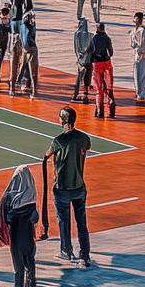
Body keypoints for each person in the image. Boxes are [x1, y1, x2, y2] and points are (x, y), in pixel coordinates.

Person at [46, 105, 92, 267]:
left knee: (64, 221)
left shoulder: (58, 141)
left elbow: (47, 155)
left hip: (62, 187)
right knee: (81, 222)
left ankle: (66, 251)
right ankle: (85, 255)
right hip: (79, 186)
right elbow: (85, 149)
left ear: (62, 121)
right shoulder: (83, 138)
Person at [0, 165, 39, 287]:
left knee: (18, 265)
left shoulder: (12, 199)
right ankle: (30, 284)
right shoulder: (31, 196)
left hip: (16, 237)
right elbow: (35, 218)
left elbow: (7, 218)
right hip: (28, 235)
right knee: (30, 260)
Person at [91, 21, 116, 119]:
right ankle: (112, 109)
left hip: (97, 63)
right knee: (109, 88)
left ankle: (100, 111)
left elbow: (91, 50)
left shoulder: (94, 38)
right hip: (106, 63)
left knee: (99, 88)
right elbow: (111, 52)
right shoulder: (107, 38)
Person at [130, 12, 145, 102]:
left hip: (143, 54)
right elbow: (132, 43)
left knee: (143, 74)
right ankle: (138, 91)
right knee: (136, 74)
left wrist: (144, 52)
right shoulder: (133, 31)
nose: (138, 21)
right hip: (136, 53)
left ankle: (143, 92)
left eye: (139, 19)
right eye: (136, 19)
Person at [72, 18, 93, 103]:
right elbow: (92, 48)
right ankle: (85, 94)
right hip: (88, 59)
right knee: (87, 77)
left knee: (79, 77)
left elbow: (76, 47)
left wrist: (78, 56)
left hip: (81, 59)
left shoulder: (77, 34)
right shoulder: (90, 35)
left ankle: (76, 94)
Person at [20, 11, 39, 98]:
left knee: (28, 70)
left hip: (27, 49)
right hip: (29, 49)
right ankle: (32, 88)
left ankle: (31, 88)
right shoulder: (27, 26)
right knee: (29, 70)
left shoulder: (25, 26)